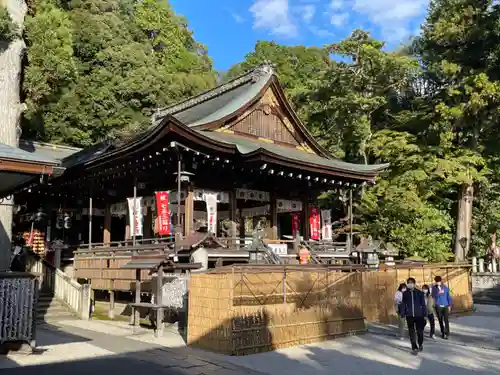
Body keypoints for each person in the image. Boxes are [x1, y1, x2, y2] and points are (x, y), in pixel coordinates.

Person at [400, 277, 427, 354]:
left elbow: (423, 305)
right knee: (411, 332)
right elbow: (403, 304)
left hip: (419, 315)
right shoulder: (405, 294)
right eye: (408, 283)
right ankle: (414, 347)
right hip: (409, 316)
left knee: (420, 332)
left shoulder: (420, 293)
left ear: (414, 284)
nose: (410, 284)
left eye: (411, 282)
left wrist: (425, 314)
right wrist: (403, 313)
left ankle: (420, 343)